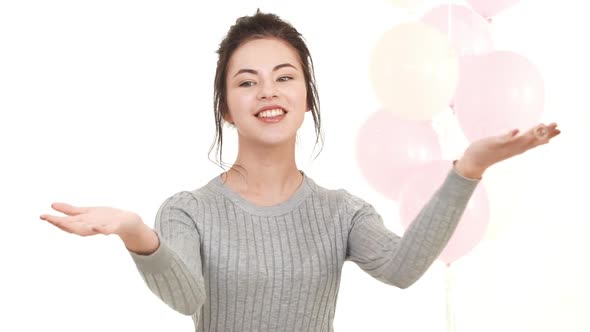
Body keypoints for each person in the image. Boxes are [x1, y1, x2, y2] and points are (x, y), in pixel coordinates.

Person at [39, 9, 560, 332]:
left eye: (284, 77)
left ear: (306, 98)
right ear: (224, 106)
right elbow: (187, 298)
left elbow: (402, 270)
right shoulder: (187, 210)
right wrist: (136, 233)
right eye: (246, 82)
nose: (267, 91)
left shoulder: (340, 212)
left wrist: (465, 170)